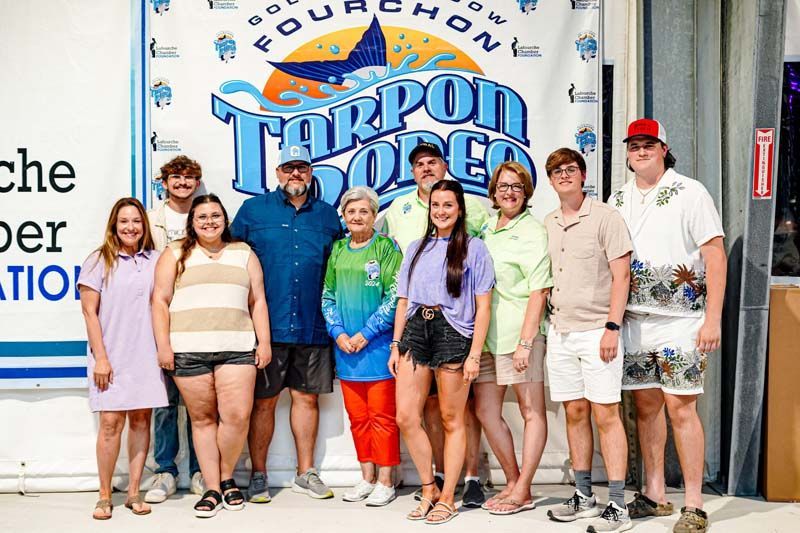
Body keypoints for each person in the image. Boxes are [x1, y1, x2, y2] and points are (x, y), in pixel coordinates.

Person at [613, 119, 726, 533]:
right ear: (627, 153)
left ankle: (694, 504)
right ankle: (655, 493)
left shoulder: (691, 192)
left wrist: (712, 318)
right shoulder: (618, 197)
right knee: (645, 407)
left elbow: (715, 256)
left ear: (664, 148)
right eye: (634, 145)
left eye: (649, 144)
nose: (641, 151)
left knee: (682, 407)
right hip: (634, 320)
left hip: (682, 319)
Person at [231, 145, 343, 502]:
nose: (296, 174)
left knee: (306, 399)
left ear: (310, 173)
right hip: (267, 328)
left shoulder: (327, 215)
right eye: (288, 167)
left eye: (302, 168)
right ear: (277, 172)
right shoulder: (253, 211)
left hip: (313, 325)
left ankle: (305, 472)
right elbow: (231, 261)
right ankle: (259, 474)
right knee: (263, 402)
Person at [382, 141, 489, 507]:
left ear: (460, 210)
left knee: (451, 418)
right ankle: (429, 487)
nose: (441, 211)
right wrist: (396, 345)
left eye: (448, 205)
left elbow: (483, 307)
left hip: (453, 334)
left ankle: (447, 498)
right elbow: (403, 300)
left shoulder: (474, 249)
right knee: (406, 416)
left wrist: (474, 354)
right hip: (416, 331)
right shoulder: (415, 247)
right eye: (436, 205)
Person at [151, 194, 271, 518]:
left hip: (237, 346)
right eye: (201, 216)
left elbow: (258, 301)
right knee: (202, 420)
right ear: (192, 222)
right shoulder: (174, 252)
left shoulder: (243, 253)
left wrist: (264, 342)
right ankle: (212, 487)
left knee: (236, 417)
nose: (209, 222)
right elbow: (159, 301)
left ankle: (227, 476)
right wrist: (163, 346)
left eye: (215, 215)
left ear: (225, 219)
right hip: (188, 349)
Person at [542, 148, 633, 532]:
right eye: (556, 171)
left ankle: (618, 504)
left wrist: (612, 327)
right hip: (561, 332)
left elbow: (622, 275)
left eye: (570, 169)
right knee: (575, 413)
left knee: (606, 415)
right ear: (550, 180)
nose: (564, 175)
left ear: (582, 175)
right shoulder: (548, 222)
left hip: (599, 331)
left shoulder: (606, 217)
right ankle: (584, 496)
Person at [78, 197, 168, 520]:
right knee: (110, 424)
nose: (131, 227)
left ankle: (133, 493)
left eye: (137, 221)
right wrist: (101, 359)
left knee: (141, 422)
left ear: (145, 225)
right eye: (124, 221)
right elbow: (89, 313)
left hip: (146, 355)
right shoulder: (98, 260)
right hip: (111, 357)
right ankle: (104, 496)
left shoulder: (157, 260)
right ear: (114, 226)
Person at [474, 162, 550, 516]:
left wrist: (526, 342)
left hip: (520, 334)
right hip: (486, 338)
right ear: (493, 192)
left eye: (517, 186)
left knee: (531, 411)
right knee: (485, 411)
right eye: (503, 186)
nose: (509, 192)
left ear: (526, 192)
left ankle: (523, 489)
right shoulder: (487, 228)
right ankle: (513, 481)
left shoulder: (533, 231)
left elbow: (539, 290)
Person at [321, 186, 403, 507]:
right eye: (351, 211)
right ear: (343, 216)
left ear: (374, 215)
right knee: (358, 419)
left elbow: (394, 296)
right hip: (346, 351)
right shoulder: (338, 249)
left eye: (364, 211)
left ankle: (386, 480)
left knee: (382, 418)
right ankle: (367, 477)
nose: (357, 217)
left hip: (377, 349)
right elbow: (328, 295)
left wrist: (366, 333)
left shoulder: (386, 248)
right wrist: (338, 333)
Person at [145, 155, 204, 503]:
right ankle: (165, 470)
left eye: (189, 177)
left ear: (197, 182)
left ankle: (200, 470)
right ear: (165, 183)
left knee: (199, 403)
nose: (182, 183)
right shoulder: (151, 219)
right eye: (176, 177)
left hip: (198, 318)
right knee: (165, 401)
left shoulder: (207, 216)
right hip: (161, 315)